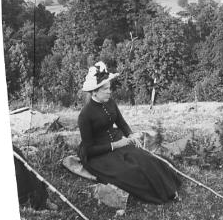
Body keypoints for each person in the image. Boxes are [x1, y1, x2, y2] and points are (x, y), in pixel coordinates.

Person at [77, 61, 180, 204]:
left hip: (119, 141)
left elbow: (121, 122)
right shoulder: (85, 115)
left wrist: (130, 135)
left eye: (109, 88)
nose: (109, 91)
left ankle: (170, 189)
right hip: (98, 155)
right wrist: (117, 145)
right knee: (130, 171)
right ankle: (158, 194)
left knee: (146, 159)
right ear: (94, 91)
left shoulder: (110, 101)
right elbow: (89, 150)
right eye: (105, 89)